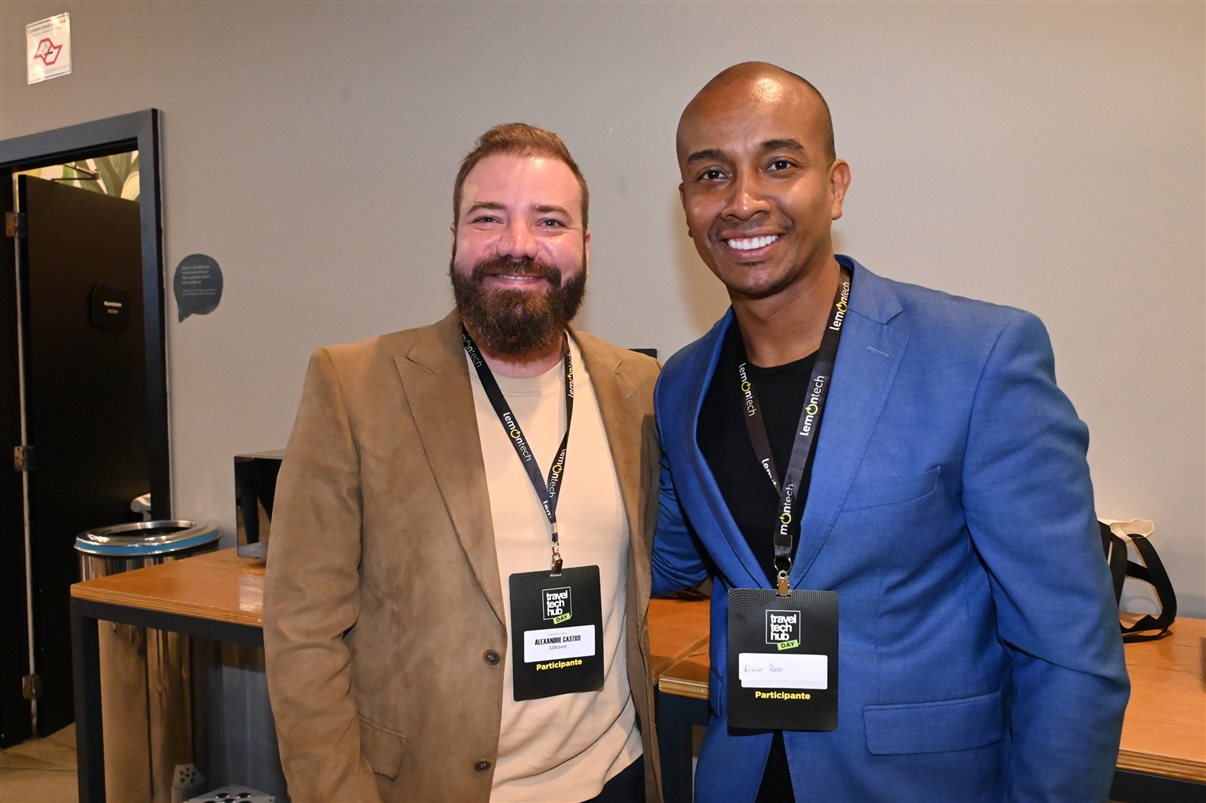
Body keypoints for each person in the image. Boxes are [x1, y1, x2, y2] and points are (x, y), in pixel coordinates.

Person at [652, 62, 1129, 801]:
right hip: (740, 778)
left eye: (779, 164)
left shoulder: (980, 356)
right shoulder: (683, 382)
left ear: (836, 185)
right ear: (686, 204)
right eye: (712, 174)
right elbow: (666, 559)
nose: (743, 200)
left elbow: (1071, 655)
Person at [264, 123, 662, 802]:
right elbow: (302, 630)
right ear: (453, 237)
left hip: (615, 775)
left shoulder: (640, 386)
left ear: (584, 247)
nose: (518, 244)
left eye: (550, 220)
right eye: (488, 218)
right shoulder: (353, 383)